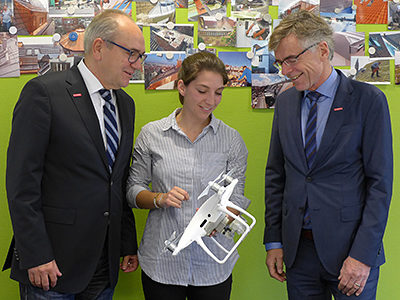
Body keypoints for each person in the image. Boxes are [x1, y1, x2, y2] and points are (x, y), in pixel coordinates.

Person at [3, 9, 145, 299]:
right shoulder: (44, 93)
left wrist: (127, 243)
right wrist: (36, 254)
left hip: (104, 265)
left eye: (140, 56)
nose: (137, 64)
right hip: (53, 265)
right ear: (99, 47)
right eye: (132, 54)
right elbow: (22, 184)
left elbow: (116, 181)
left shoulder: (126, 104)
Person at [263, 10, 392, 300]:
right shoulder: (285, 103)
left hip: (351, 253)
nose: (285, 70)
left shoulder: (368, 101)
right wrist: (273, 241)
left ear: (323, 50)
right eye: (280, 62)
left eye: (291, 59)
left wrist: (362, 256)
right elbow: (276, 175)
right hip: (298, 254)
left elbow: (380, 185)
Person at [127, 51, 249, 300]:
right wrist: (159, 198)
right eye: (202, 91)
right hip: (162, 263)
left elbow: (236, 198)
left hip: (212, 264)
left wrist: (223, 219)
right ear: (182, 86)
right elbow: (133, 191)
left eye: (218, 92)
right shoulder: (152, 135)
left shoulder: (232, 141)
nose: (211, 100)